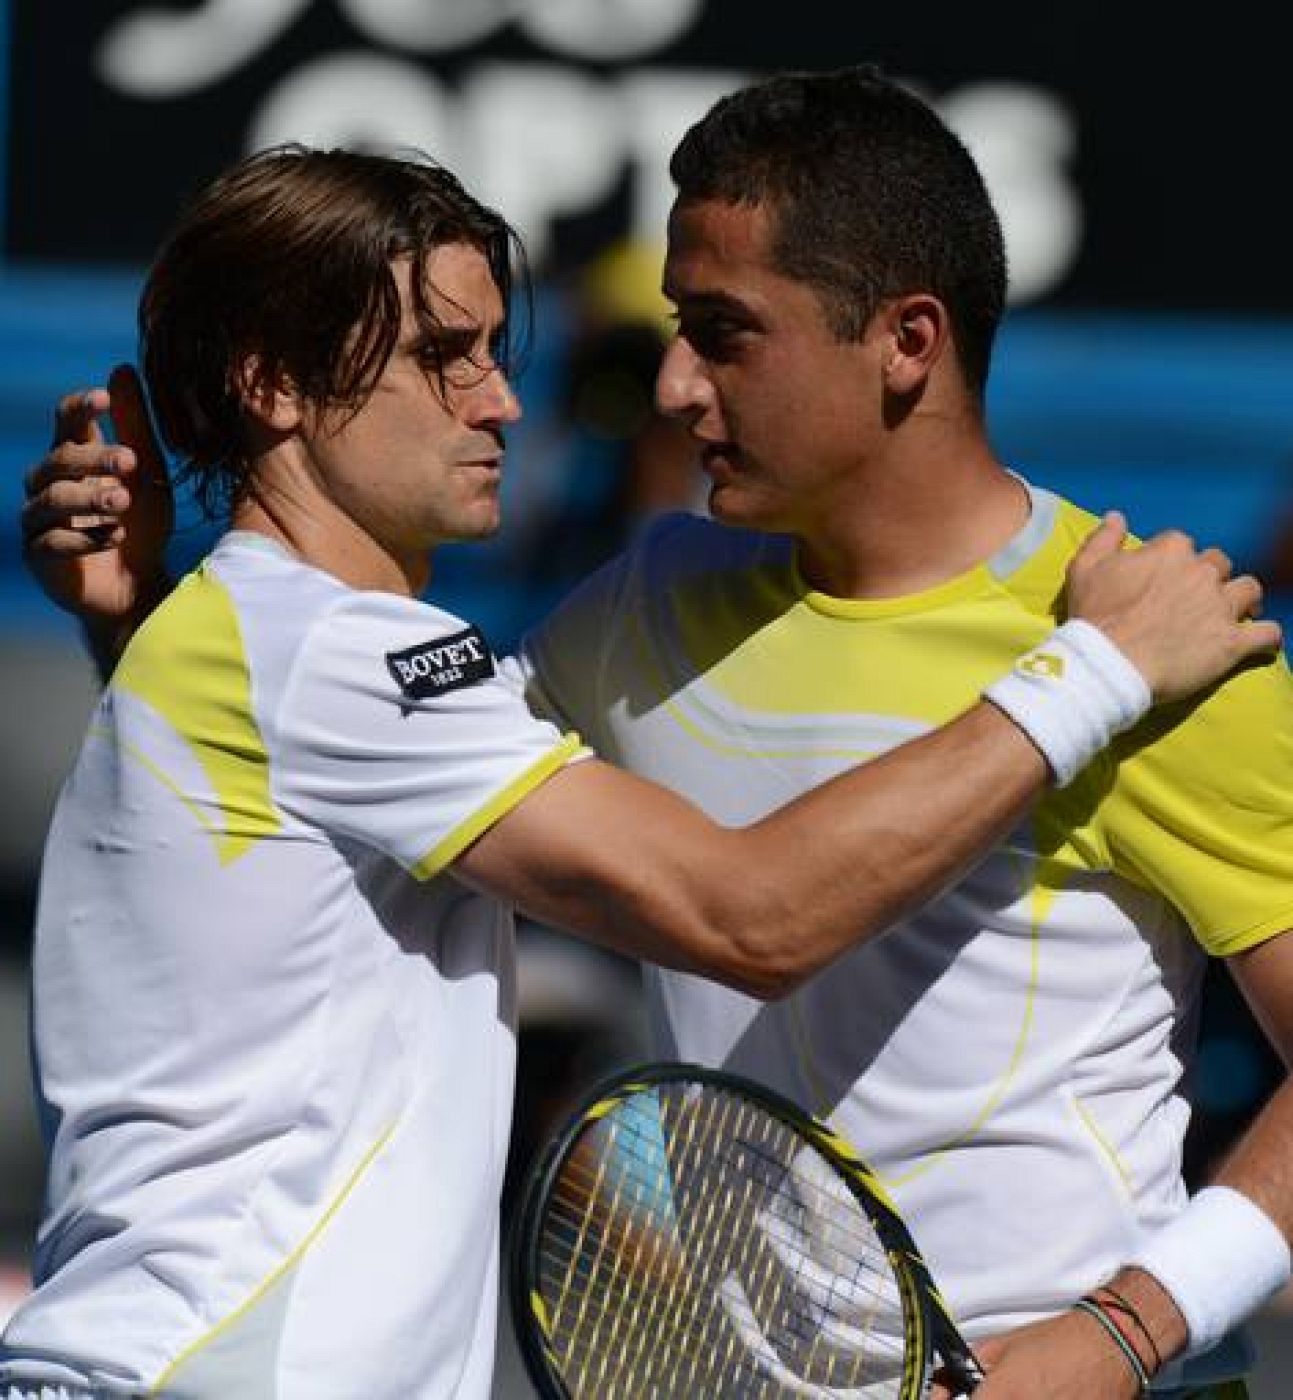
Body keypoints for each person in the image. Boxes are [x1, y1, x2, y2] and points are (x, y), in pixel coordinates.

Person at [10, 115, 1281, 1400]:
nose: (661, 387)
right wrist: (1095, 676)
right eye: (443, 356)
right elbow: (751, 915)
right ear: (272, 384)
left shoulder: (1167, 652)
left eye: (722, 331)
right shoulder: (1105, 646)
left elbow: (293, 802)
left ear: (908, 341)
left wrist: (1134, 1325)